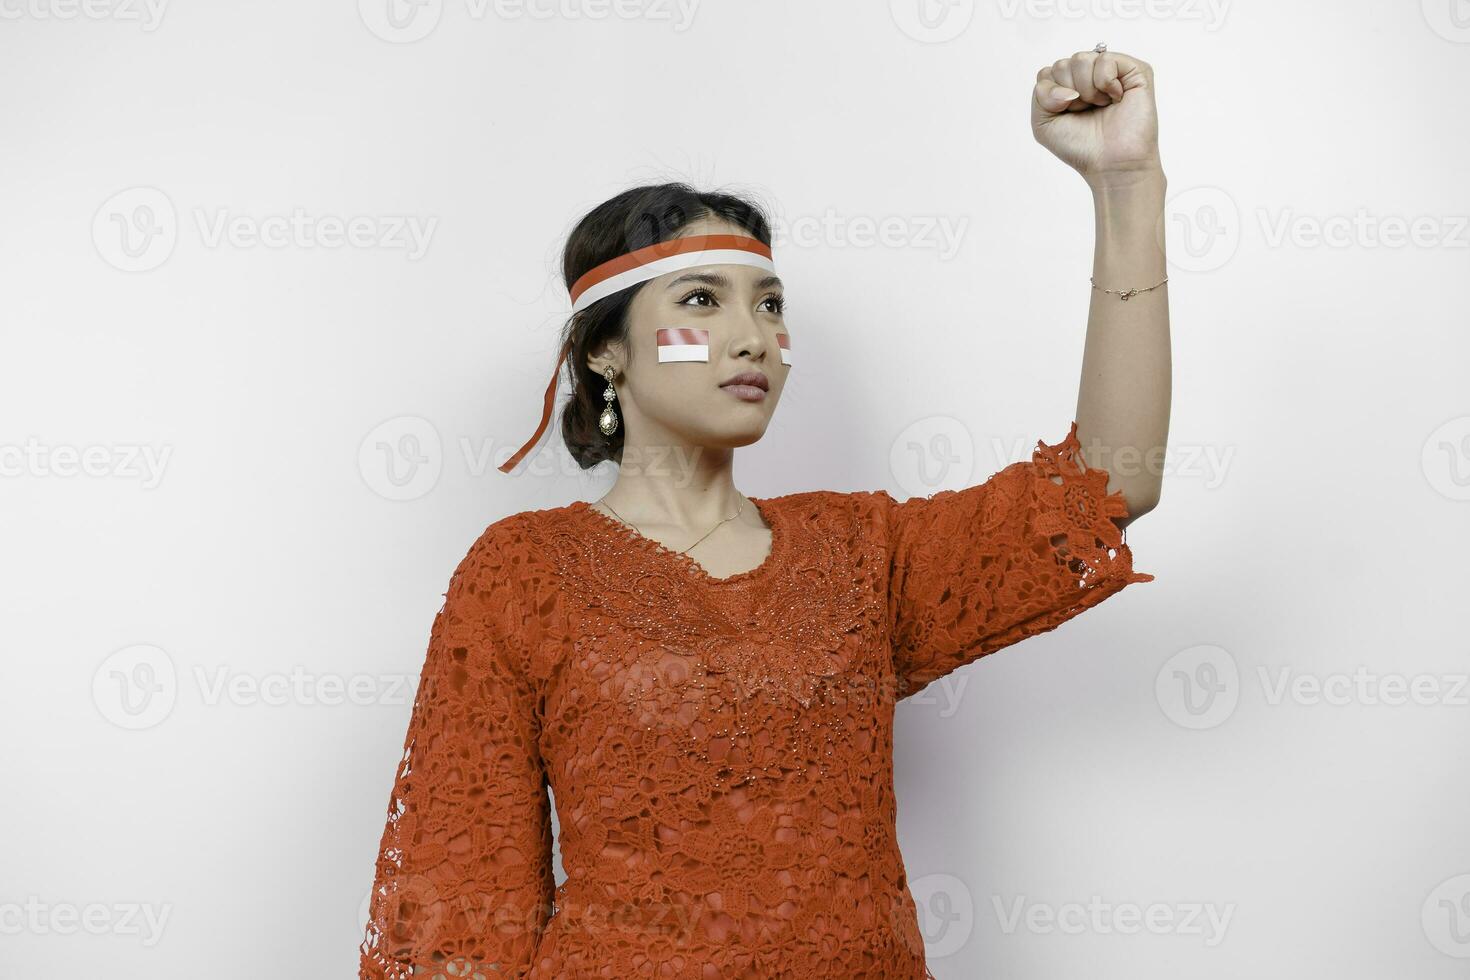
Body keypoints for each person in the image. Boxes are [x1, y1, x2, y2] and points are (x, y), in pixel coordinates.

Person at [359, 46, 1169, 980]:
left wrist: (1126, 185)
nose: (753, 337)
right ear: (605, 353)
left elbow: (1111, 484)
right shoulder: (524, 572)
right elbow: (462, 896)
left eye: (771, 305)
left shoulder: (861, 554)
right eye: (700, 301)